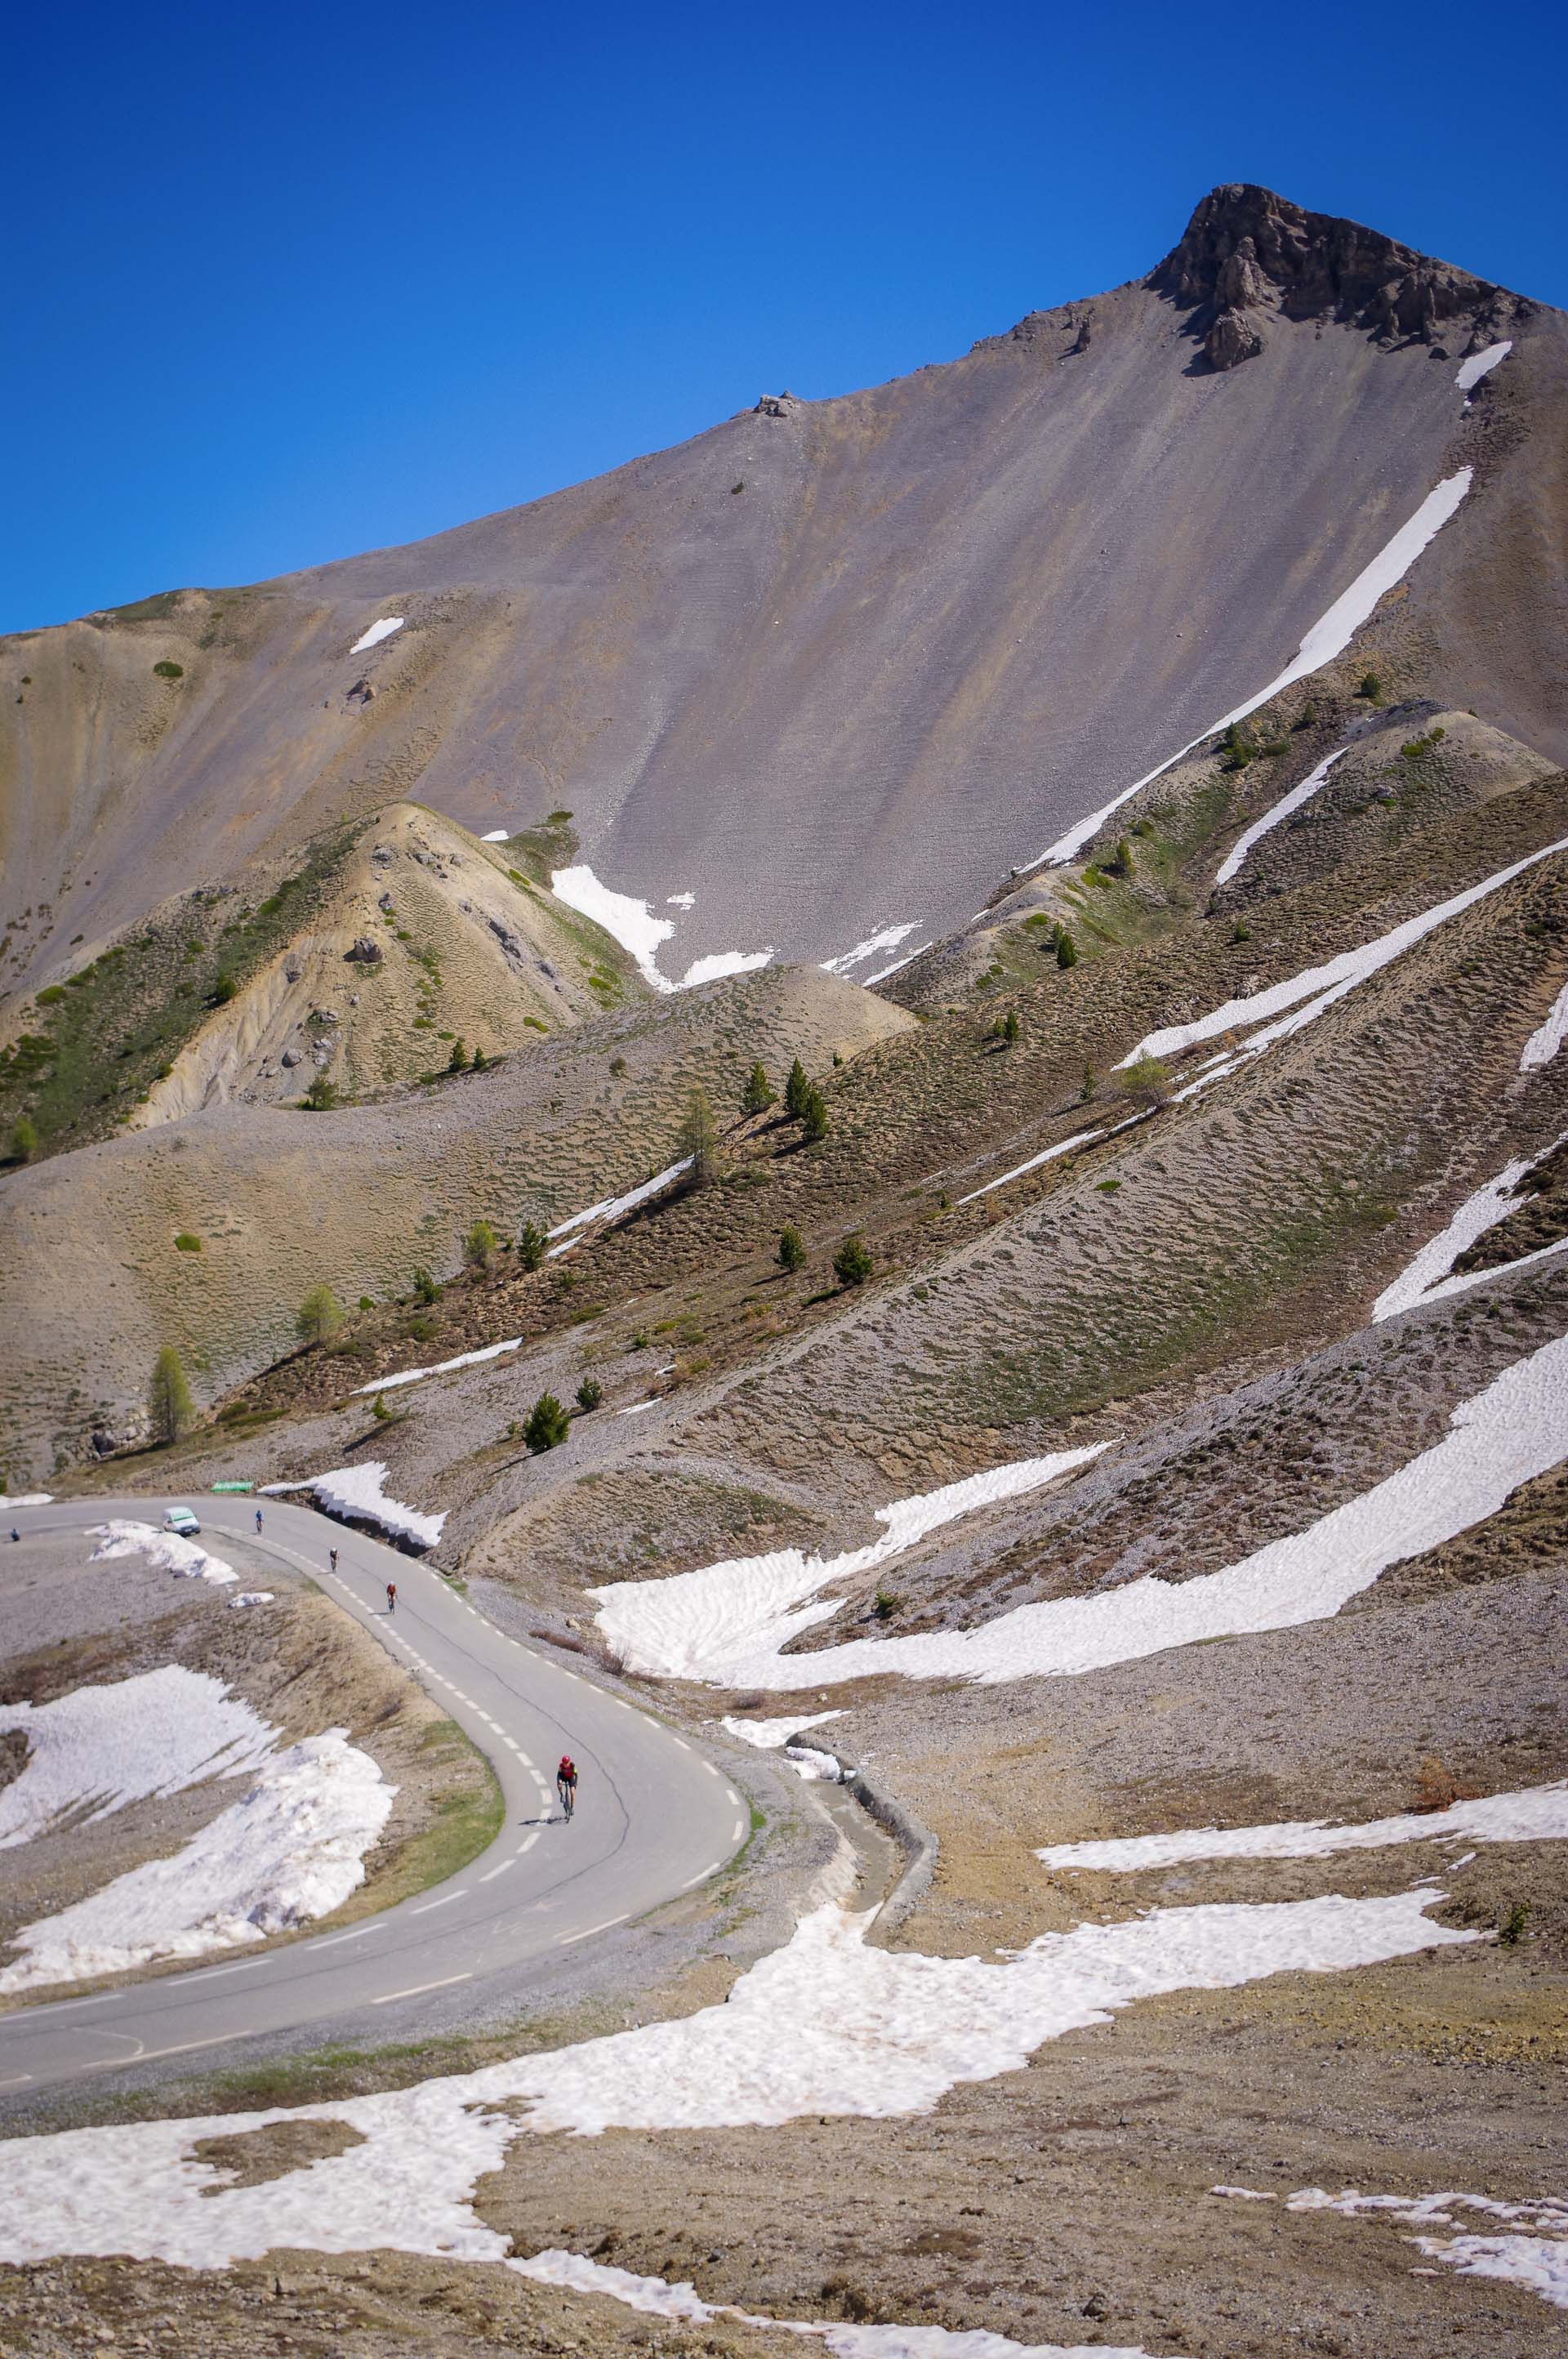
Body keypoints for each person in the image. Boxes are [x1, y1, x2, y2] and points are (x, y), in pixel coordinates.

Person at [556, 1754, 577, 1818]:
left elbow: (576, 1775)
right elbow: (558, 1775)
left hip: (570, 1778)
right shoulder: (561, 1766)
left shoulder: (572, 1765)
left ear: (569, 1762)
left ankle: (572, 1808)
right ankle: (562, 1795)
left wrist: (575, 1783)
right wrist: (559, 1781)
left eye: (567, 1763)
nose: (566, 1764)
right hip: (563, 1777)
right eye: (564, 1763)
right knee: (559, 1785)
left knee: (572, 1793)